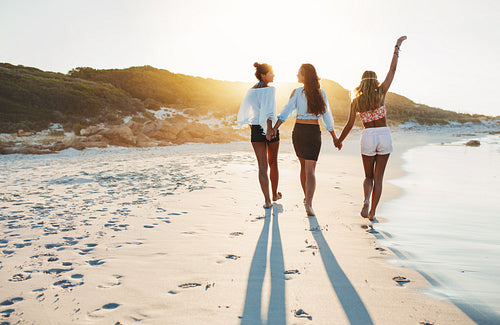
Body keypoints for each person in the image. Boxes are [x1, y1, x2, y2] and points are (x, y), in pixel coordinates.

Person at [336, 36, 407, 221]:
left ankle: (366, 200)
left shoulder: (356, 101)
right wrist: (397, 47)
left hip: (367, 136)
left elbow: (350, 124)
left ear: (362, 82)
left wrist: (339, 140)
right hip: (383, 135)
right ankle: (373, 212)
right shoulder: (381, 93)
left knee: (368, 176)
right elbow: (392, 70)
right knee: (379, 178)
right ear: (374, 81)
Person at [273, 64, 339, 216]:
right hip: (312, 132)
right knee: (308, 169)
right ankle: (308, 201)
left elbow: (286, 110)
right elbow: (326, 116)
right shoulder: (319, 93)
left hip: (300, 132)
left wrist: (276, 127)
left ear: (305, 75)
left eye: (299, 73)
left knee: (304, 167)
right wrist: (334, 136)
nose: (297, 75)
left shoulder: (297, 92)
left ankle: (307, 200)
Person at [237, 62, 282, 209]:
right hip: (270, 129)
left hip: (256, 128)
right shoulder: (270, 90)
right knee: (273, 162)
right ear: (263, 75)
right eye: (271, 73)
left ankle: (267, 200)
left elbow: (247, 110)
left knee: (262, 166)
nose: (273, 75)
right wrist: (269, 129)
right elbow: (269, 112)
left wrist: (254, 125)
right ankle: (274, 194)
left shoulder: (250, 91)